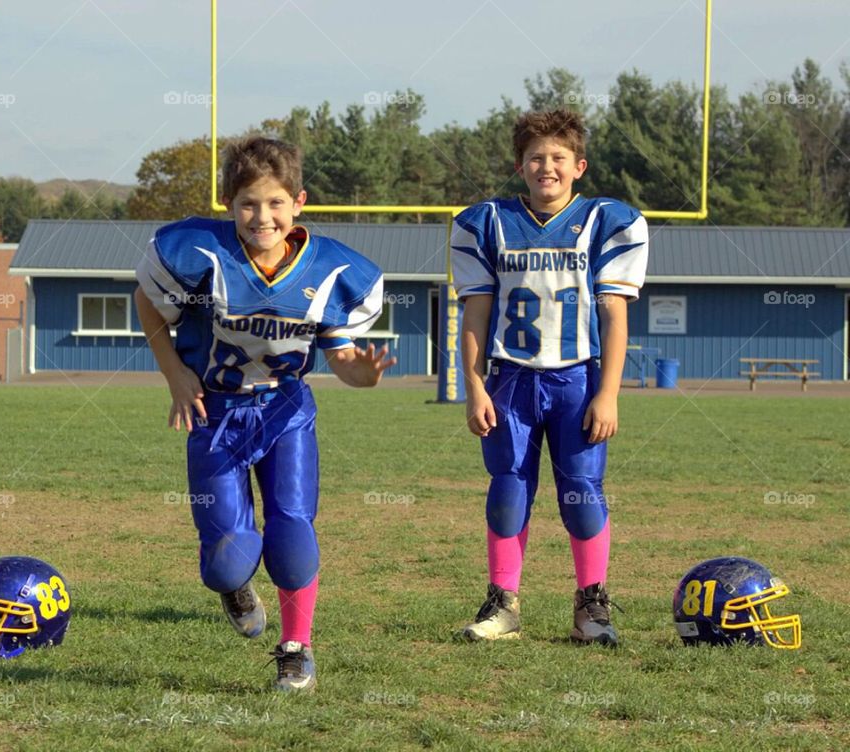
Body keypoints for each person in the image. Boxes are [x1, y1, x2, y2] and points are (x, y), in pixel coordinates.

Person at [134, 136, 395, 691]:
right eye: (249, 203)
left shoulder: (327, 269)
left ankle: (296, 649)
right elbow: (146, 300)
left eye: (276, 203)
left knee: (293, 537)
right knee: (228, 562)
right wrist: (174, 373)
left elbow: (341, 354)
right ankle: (235, 586)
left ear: (298, 202)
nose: (263, 216)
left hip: (285, 412)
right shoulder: (202, 253)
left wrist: (362, 375)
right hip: (215, 414)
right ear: (230, 203)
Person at [451, 109, 648, 646]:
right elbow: (475, 313)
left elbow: (613, 314)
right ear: (521, 166)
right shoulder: (486, 223)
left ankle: (591, 604)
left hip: (576, 380)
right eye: (536, 157)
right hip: (510, 380)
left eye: (558, 158)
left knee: (581, 494)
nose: (547, 167)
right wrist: (472, 387)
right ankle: (503, 603)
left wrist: (608, 393)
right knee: (508, 492)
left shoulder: (606, 221)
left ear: (578, 166)